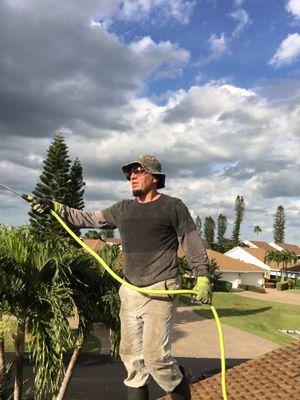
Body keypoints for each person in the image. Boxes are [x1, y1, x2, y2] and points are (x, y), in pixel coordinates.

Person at [32, 154, 212, 400]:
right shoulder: (122, 209)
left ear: (156, 178)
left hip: (161, 289)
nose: (133, 176)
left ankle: (177, 381)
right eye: (130, 173)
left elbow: (190, 241)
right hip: (130, 291)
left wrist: (202, 276)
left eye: (139, 171)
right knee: (131, 358)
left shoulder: (173, 206)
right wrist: (54, 206)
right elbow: (87, 218)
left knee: (156, 359)